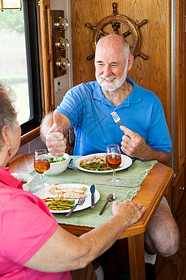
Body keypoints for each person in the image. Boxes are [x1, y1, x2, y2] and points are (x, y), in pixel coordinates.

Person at [0, 79, 145, 279]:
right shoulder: (8, 207)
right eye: (16, 120)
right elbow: (80, 254)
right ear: (6, 134)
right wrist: (123, 217)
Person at [40, 34, 180, 276]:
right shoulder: (81, 94)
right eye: (100, 64)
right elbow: (57, 119)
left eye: (114, 64)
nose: (106, 72)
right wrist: (53, 132)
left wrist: (145, 152)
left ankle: (147, 255)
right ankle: (95, 266)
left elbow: (165, 157)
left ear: (130, 62)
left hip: (139, 186)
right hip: (86, 185)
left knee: (168, 243)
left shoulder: (150, 102)